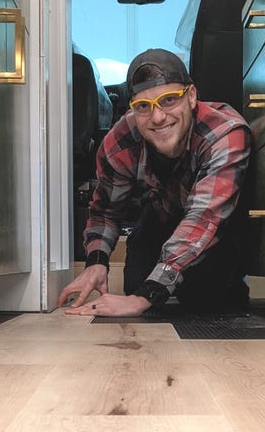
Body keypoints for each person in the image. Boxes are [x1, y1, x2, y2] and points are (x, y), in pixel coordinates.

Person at [58, 48, 252, 317]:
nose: (158, 117)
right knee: (135, 285)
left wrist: (147, 295)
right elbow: (105, 211)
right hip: (160, 210)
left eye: (169, 100)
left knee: (207, 297)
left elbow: (204, 219)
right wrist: (97, 262)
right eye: (143, 107)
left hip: (213, 222)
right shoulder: (119, 143)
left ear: (192, 96)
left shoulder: (224, 133)